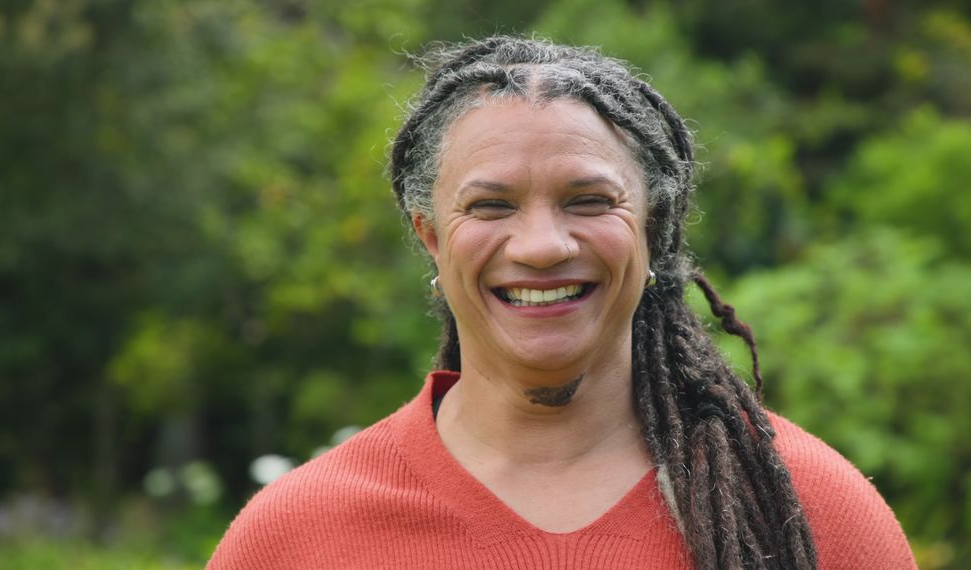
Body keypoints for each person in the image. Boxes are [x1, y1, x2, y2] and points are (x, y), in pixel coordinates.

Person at [207, 36, 917, 569]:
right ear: (431, 236)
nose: (542, 245)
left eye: (588, 201)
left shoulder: (808, 512)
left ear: (653, 227)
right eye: (490, 205)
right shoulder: (297, 536)